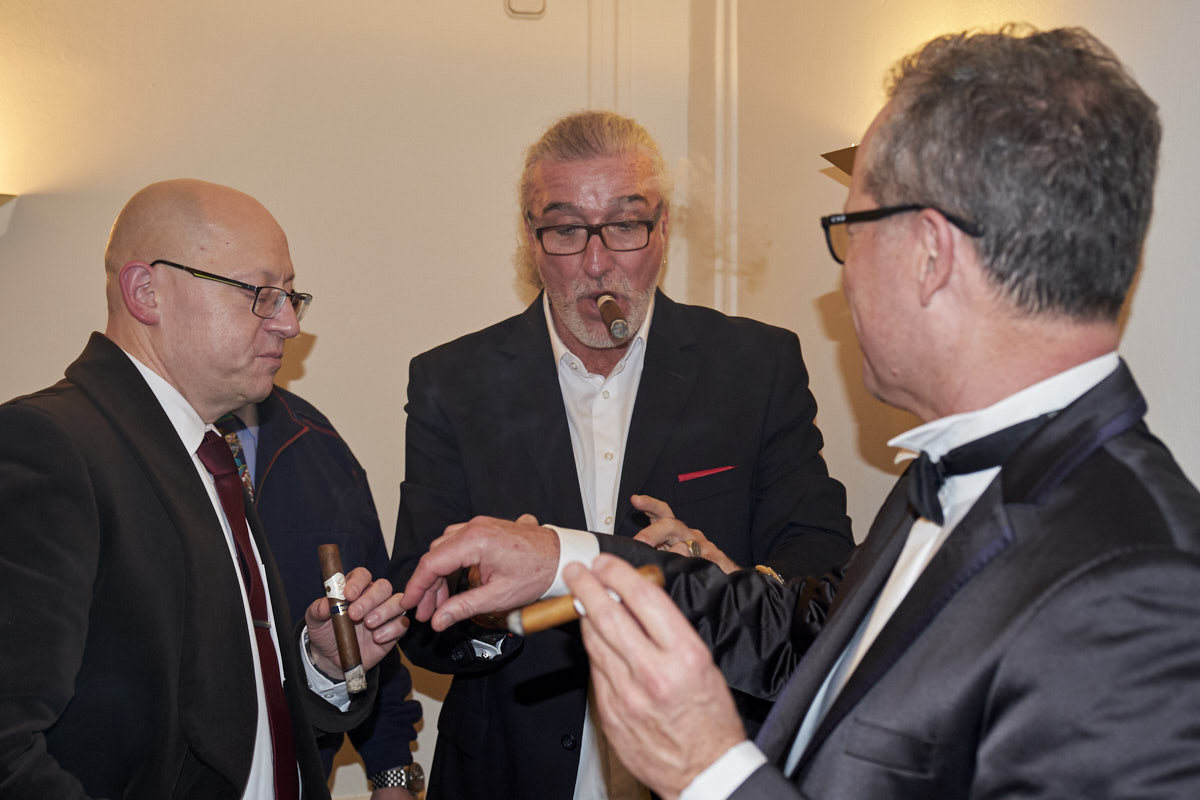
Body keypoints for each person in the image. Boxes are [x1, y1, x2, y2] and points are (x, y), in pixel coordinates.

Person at [399, 25, 1200, 799]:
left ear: (931, 254)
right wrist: (564, 559)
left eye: (850, 229)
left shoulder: (1137, 589)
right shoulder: (937, 482)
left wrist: (711, 774)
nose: (844, 278)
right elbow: (802, 632)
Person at [389, 110, 853, 799]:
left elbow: (823, 567)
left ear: (663, 230)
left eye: (626, 225)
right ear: (530, 239)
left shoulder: (757, 365)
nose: (597, 262)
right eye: (566, 230)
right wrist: (490, 601)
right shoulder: (451, 381)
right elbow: (419, 612)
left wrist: (721, 576)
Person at [0, 179, 409, 799]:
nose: (289, 323)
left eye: (290, 296)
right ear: (146, 292)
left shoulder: (207, 449)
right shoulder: (48, 444)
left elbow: (214, 715)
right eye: (260, 294)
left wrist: (320, 666)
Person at [222, 387, 424, 799]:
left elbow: (371, 630)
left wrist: (391, 773)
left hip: (302, 780)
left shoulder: (319, 444)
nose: (289, 344)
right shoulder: (112, 443)